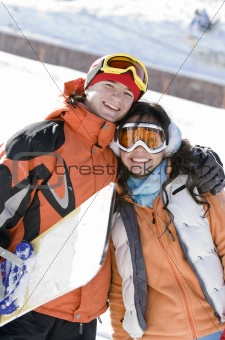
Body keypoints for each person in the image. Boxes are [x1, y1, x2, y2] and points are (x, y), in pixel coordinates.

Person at [0, 53, 223, 339]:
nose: (117, 98)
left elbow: (159, 159)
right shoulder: (41, 141)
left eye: (127, 93)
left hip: (83, 318)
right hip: (24, 307)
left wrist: (202, 159)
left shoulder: (118, 155)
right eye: (109, 86)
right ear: (88, 85)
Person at [109, 101, 225, 340]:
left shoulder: (196, 186)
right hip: (155, 335)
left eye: (150, 140)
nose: (139, 151)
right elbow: (120, 287)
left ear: (167, 145)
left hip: (214, 328)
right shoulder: (115, 210)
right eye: (130, 139)